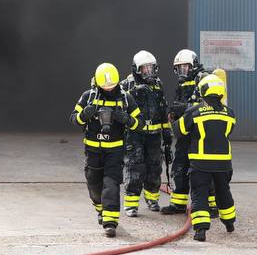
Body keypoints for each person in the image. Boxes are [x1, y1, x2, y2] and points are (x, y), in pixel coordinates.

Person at [71, 62, 141, 237]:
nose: (109, 89)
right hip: (93, 150)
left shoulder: (126, 99)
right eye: (105, 87)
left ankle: (110, 222)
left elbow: (140, 124)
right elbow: (73, 119)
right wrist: (84, 115)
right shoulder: (88, 96)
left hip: (115, 151)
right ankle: (101, 210)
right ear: (98, 83)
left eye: (112, 86)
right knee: (94, 184)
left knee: (111, 184)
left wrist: (126, 119)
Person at [177, 74, 236, 242]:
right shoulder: (229, 113)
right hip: (224, 164)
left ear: (203, 90)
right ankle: (229, 223)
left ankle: (201, 231)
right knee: (223, 192)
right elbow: (229, 131)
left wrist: (179, 115)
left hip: (200, 164)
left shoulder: (195, 112)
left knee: (199, 194)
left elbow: (179, 131)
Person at [160, 48, 207, 215]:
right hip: (184, 134)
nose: (183, 71)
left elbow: (209, 106)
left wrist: (186, 108)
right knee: (179, 167)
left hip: (200, 135)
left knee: (202, 171)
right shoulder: (181, 85)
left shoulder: (203, 79)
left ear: (193, 65)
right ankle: (179, 203)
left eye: (185, 67)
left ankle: (211, 206)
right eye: (179, 68)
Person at [121, 50, 167, 216]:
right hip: (135, 135)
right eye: (144, 69)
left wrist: (167, 131)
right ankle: (131, 205)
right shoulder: (126, 85)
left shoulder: (157, 84)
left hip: (154, 135)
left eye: (151, 68)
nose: (148, 72)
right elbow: (119, 110)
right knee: (135, 166)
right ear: (136, 69)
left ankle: (152, 199)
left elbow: (163, 109)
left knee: (154, 167)